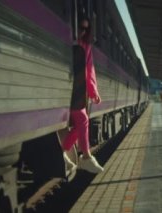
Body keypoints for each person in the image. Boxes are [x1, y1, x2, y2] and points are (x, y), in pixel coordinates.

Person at [61, 17, 104, 174]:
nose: (82, 31)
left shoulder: (85, 46)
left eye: (85, 29)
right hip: (66, 88)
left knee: (82, 122)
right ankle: (85, 158)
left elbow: (89, 70)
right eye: (80, 27)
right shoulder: (64, 38)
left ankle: (66, 152)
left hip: (77, 90)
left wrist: (93, 92)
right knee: (83, 120)